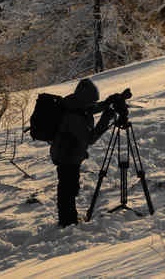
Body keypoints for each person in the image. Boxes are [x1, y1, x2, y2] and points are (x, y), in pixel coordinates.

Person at [50, 78, 117, 227]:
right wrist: (105, 119)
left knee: (69, 186)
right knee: (68, 188)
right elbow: (90, 138)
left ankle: (68, 218)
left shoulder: (74, 104)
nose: (92, 104)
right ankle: (67, 221)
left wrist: (107, 102)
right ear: (84, 99)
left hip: (67, 153)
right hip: (66, 155)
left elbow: (91, 108)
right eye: (91, 101)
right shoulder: (74, 116)